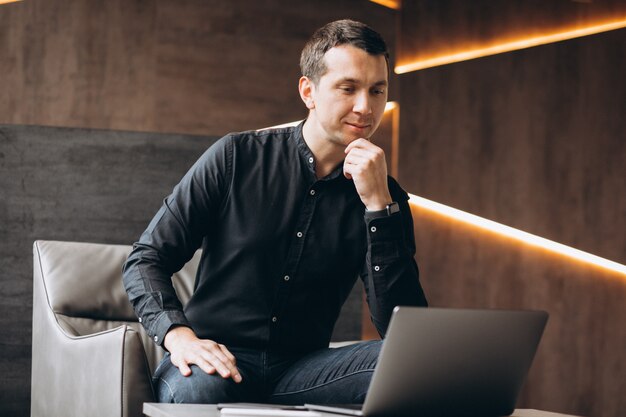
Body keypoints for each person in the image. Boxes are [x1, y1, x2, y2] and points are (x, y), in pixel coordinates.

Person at [122, 18, 427, 405]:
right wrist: (178, 336)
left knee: (411, 365)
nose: (365, 107)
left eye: (377, 90)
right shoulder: (235, 157)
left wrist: (378, 210)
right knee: (200, 391)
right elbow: (146, 259)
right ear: (308, 91)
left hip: (305, 369)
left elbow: (405, 332)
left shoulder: (385, 195)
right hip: (214, 359)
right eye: (347, 88)